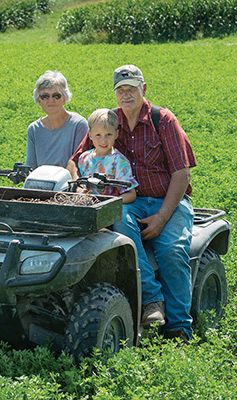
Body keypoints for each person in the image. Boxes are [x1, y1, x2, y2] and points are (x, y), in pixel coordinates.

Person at [70, 65, 197, 341]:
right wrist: (79, 183)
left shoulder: (162, 120)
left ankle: (179, 328)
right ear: (115, 94)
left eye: (132, 88)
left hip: (169, 201)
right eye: (121, 90)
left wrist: (162, 217)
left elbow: (181, 173)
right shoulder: (109, 122)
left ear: (144, 89)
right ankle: (152, 300)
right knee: (122, 227)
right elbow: (77, 158)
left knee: (171, 251)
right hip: (132, 200)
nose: (126, 95)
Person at [26, 71, 88, 169]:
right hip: (40, 182)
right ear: (39, 99)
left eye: (56, 96)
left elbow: (78, 165)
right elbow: (30, 168)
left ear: (64, 97)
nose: (51, 100)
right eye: (45, 96)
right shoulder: (34, 129)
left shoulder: (79, 125)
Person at [75, 108, 138, 203]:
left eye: (108, 134)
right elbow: (80, 185)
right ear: (90, 135)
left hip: (109, 210)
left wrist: (110, 202)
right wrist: (80, 191)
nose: (103, 140)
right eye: (98, 135)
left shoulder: (119, 162)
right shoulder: (84, 158)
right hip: (87, 207)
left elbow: (131, 194)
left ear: (116, 134)